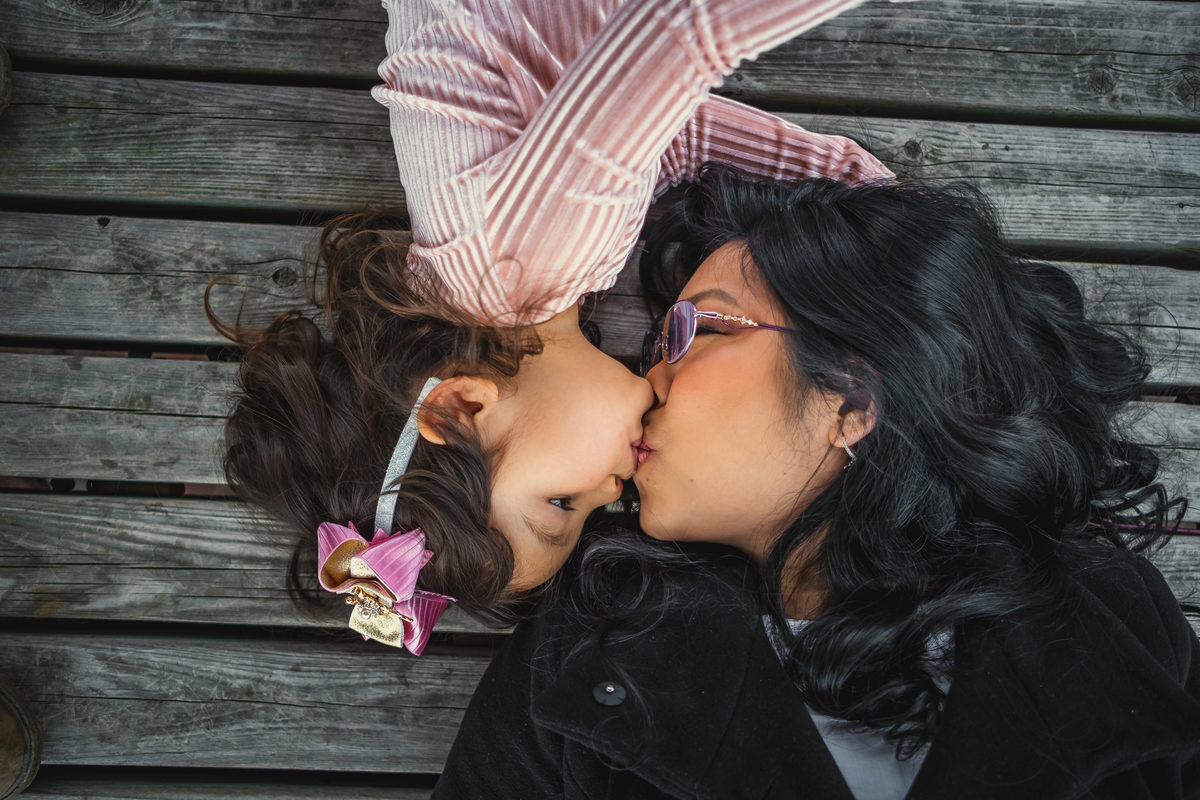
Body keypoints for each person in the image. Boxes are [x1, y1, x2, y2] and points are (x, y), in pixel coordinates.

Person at [432, 167, 1200, 799]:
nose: (648, 379)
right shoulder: (580, 652)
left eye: (698, 329)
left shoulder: (1116, 617)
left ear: (853, 401)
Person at [214, 0, 896, 644]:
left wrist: (871, 209)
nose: (612, 489)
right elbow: (672, 140)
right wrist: (864, 201)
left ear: (460, 405)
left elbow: (685, 31)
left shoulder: (526, 253)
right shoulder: (511, 279)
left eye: (563, 504)